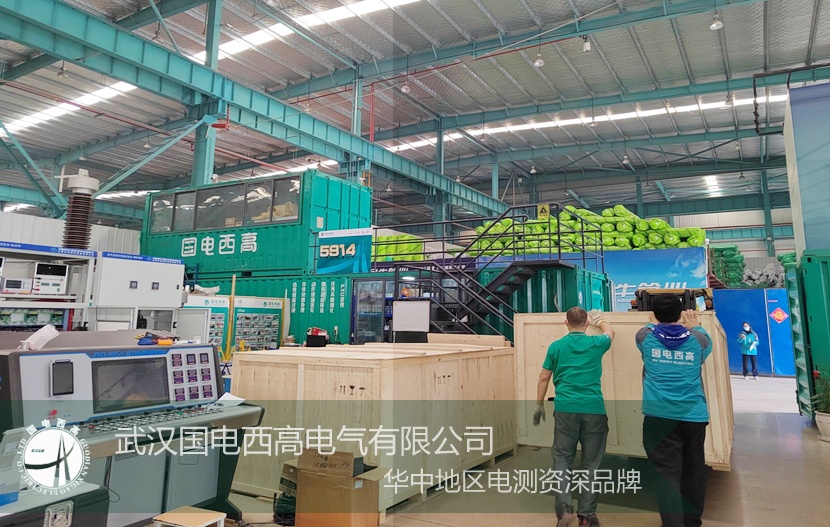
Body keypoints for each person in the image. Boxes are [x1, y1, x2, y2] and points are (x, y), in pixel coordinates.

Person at [533, 307, 615, 527]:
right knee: (591, 464)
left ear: (566, 323)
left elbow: (544, 377)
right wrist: (602, 321)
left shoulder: (556, 346)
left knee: (562, 459)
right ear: (586, 323)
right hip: (594, 410)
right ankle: (587, 517)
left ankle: (564, 512)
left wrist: (539, 405)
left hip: (565, 410)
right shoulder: (596, 343)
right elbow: (610, 333)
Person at [635, 296, 713, 527]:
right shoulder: (700, 340)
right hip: (693, 417)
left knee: (665, 474)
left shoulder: (645, 337)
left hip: (659, 417)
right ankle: (692, 522)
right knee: (693, 470)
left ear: (653, 315)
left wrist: (656, 322)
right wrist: (693, 324)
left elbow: (649, 328)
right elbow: (699, 335)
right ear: (681, 314)